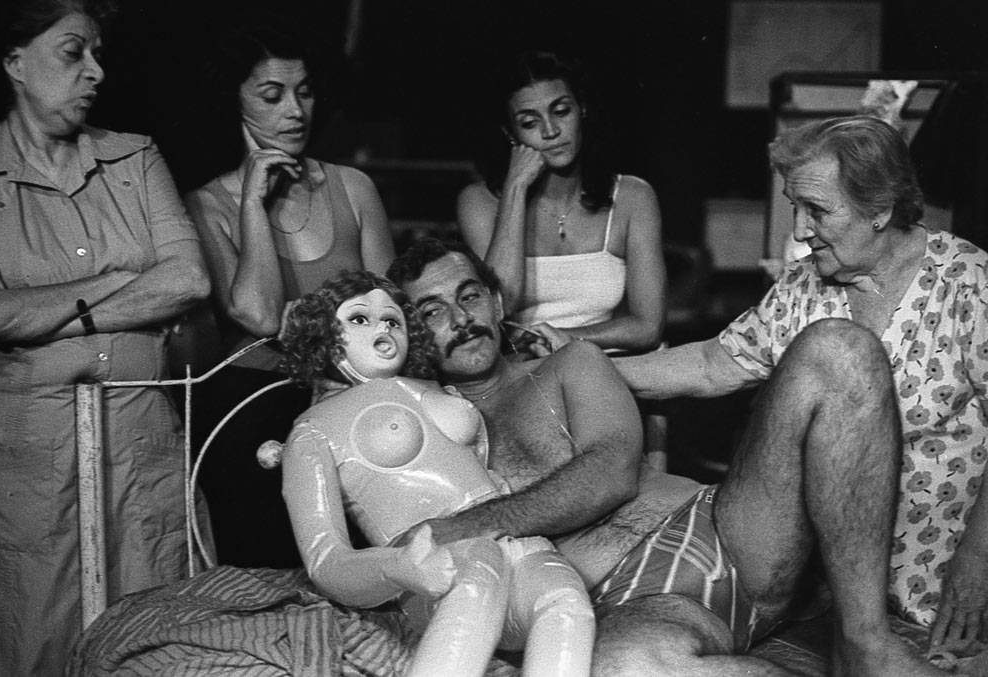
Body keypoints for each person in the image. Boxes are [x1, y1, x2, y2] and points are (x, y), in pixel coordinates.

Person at [387, 237, 951, 676]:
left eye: (469, 296)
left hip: (725, 531)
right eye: (432, 312)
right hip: (635, 602)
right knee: (620, 669)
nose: (460, 319)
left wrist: (468, 525)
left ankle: (865, 639)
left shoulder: (570, 365)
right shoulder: (419, 435)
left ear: (496, 301)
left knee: (837, 348)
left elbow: (611, 473)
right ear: (411, 334)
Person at [618, 115, 988, 651]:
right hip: (829, 595)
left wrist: (976, 566)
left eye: (817, 210)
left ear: (880, 209)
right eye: (795, 207)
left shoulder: (968, 283)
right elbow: (714, 364)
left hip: (946, 586)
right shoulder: (804, 285)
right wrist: (584, 367)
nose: (798, 231)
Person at [0, 0, 211, 673]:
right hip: (30, 467)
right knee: (36, 643)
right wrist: (118, 284)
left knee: (160, 640)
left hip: (144, 449)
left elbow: (188, 279)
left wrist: (57, 317)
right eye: (73, 52)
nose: (95, 71)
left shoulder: (134, 158)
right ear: (15, 62)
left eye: (97, 54)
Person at [268, 269, 594, 676]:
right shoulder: (313, 430)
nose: (382, 329)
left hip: (516, 539)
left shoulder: (435, 390)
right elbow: (326, 561)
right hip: (436, 558)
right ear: (322, 332)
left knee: (567, 603)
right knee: (475, 581)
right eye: (360, 318)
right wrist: (395, 567)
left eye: (393, 320)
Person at [183, 16, 395, 567]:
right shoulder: (209, 205)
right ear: (234, 101)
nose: (296, 111)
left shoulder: (353, 188)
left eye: (305, 92)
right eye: (272, 96)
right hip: (255, 415)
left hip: (353, 407)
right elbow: (257, 315)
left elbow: (390, 318)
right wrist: (253, 205)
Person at [456, 50, 665, 358]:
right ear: (510, 133)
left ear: (582, 109)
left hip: (607, 363)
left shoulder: (633, 197)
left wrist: (563, 338)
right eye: (530, 122)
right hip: (523, 369)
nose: (551, 131)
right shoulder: (479, 202)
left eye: (561, 111)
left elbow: (648, 327)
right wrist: (515, 188)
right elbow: (500, 306)